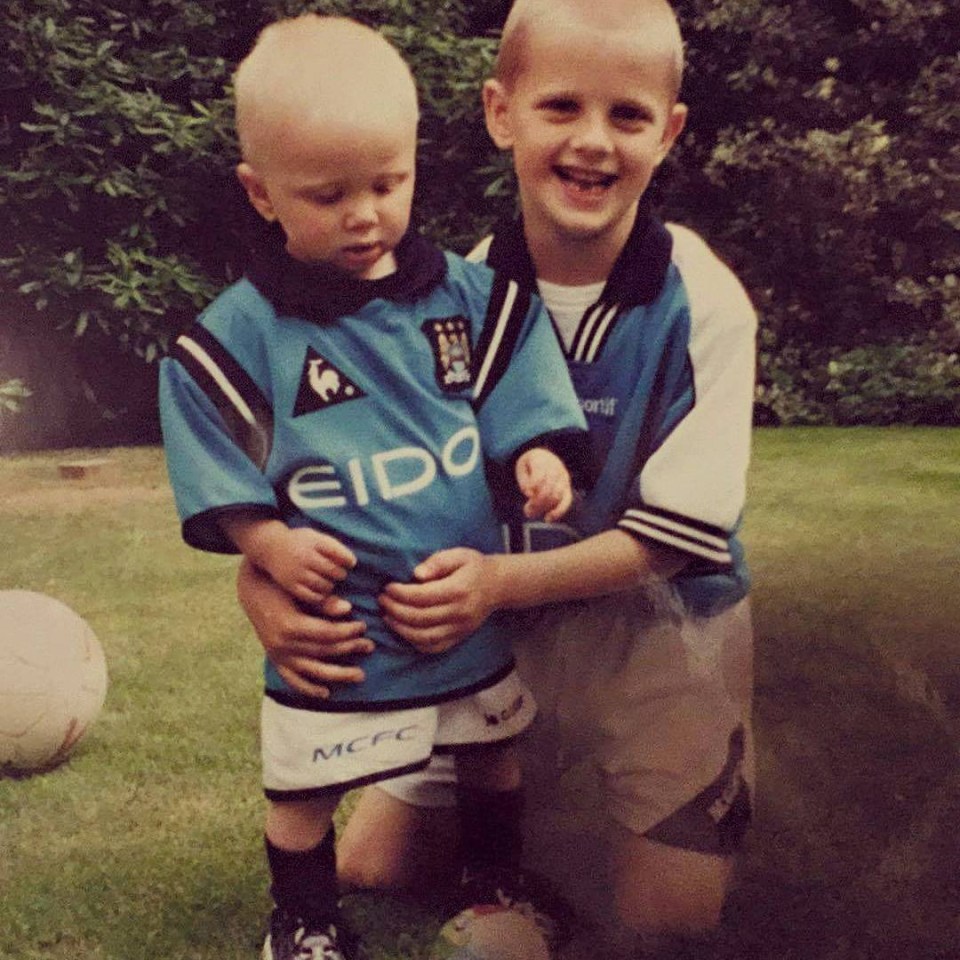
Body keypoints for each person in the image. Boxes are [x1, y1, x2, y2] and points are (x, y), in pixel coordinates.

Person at [237, 0, 758, 955]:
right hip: (496, 633)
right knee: (372, 868)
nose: (593, 142)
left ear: (670, 132)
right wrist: (258, 576)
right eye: (561, 106)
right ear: (500, 113)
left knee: (664, 922)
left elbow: (682, 537)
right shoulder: (450, 289)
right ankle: (531, 804)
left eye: (629, 116)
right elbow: (359, 475)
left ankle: (661, 784)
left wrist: (497, 583)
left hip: (664, 639)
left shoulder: (705, 303)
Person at [158, 14, 591, 960]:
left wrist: (539, 455)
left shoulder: (468, 302)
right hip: (339, 633)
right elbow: (203, 429)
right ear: (260, 193)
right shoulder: (239, 336)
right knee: (303, 787)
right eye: (329, 194)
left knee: (491, 754)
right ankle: (305, 923)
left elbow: (523, 381)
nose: (366, 213)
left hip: (459, 614)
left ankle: (494, 885)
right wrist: (264, 545)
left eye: (388, 183)